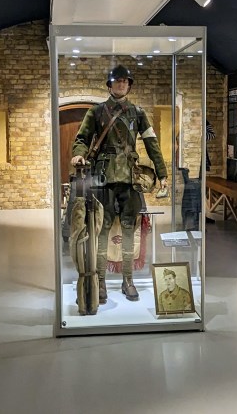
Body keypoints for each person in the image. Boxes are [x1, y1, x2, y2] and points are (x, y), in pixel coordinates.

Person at [71, 65, 167, 303]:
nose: (122, 84)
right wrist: (78, 153)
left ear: (129, 85)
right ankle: (100, 282)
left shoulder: (137, 112)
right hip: (103, 179)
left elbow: (152, 144)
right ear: (109, 85)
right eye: (117, 81)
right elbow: (82, 138)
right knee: (102, 231)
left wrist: (162, 172)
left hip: (130, 180)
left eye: (125, 81)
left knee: (129, 231)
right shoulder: (96, 112)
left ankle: (128, 280)